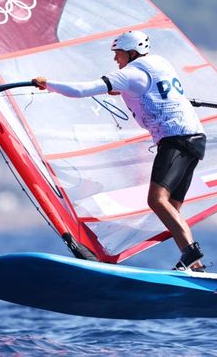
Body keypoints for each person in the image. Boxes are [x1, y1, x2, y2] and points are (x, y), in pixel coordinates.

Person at [33, 30, 207, 271]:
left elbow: (81, 90)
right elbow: (152, 91)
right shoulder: (161, 63)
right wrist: (125, 89)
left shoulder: (132, 73)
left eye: (119, 54)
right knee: (171, 208)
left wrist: (47, 84)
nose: (116, 59)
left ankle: (191, 251)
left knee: (156, 200)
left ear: (132, 52)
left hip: (175, 139)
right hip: (196, 139)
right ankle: (196, 266)